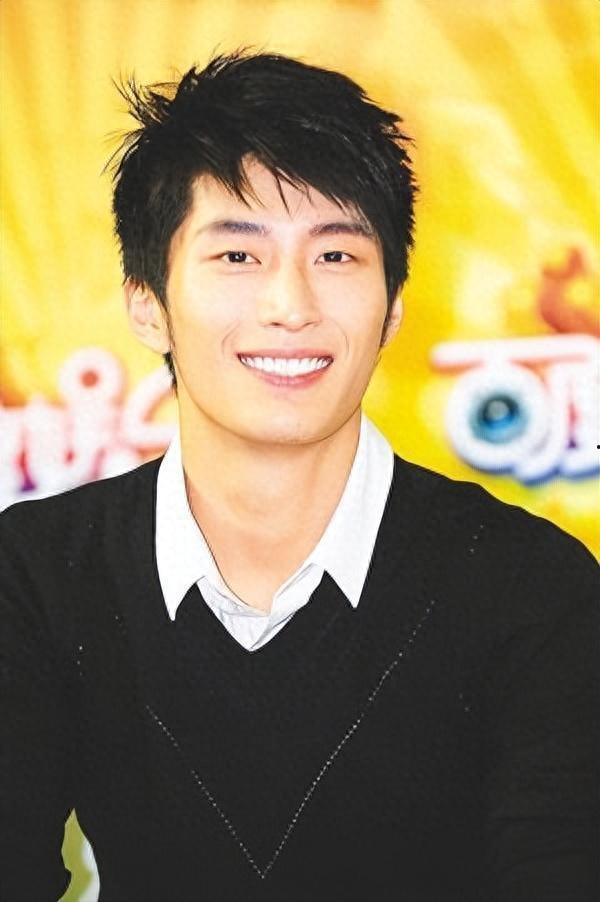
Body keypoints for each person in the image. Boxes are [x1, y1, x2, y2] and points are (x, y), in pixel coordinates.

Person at [2, 49, 598, 902]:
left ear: (393, 305)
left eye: (337, 256)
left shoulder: (532, 588)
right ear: (146, 303)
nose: (291, 306)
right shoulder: (36, 575)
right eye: (237, 257)